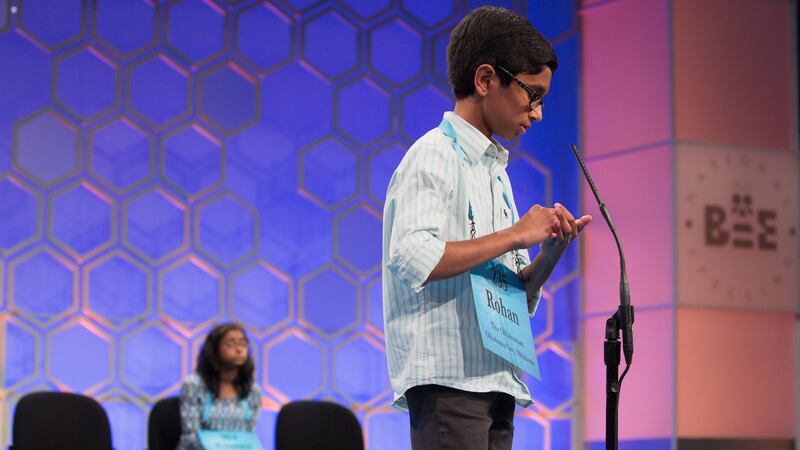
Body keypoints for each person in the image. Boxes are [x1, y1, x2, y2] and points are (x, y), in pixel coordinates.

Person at [381, 6, 591, 450]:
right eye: (532, 94)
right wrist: (516, 234)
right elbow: (414, 255)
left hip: (497, 379)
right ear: (485, 80)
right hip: (450, 382)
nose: (537, 113)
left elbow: (510, 289)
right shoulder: (434, 154)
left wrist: (549, 253)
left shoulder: (496, 172)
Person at [177, 323, 262, 450]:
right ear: (214, 350)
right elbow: (191, 436)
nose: (239, 349)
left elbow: (249, 436)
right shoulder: (194, 384)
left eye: (243, 344)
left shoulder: (253, 390)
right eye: (230, 344)